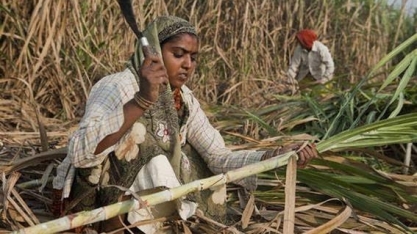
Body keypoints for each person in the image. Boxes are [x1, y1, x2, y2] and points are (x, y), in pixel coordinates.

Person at [52, 16, 318, 233]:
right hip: (104, 208)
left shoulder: (183, 100)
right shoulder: (117, 86)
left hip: (153, 208)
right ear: (154, 52)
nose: (188, 65)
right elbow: (80, 153)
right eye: (178, 54)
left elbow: (219, 158)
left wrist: (274, 157)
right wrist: (142, 100)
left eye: (193, 57)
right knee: (146, 142)